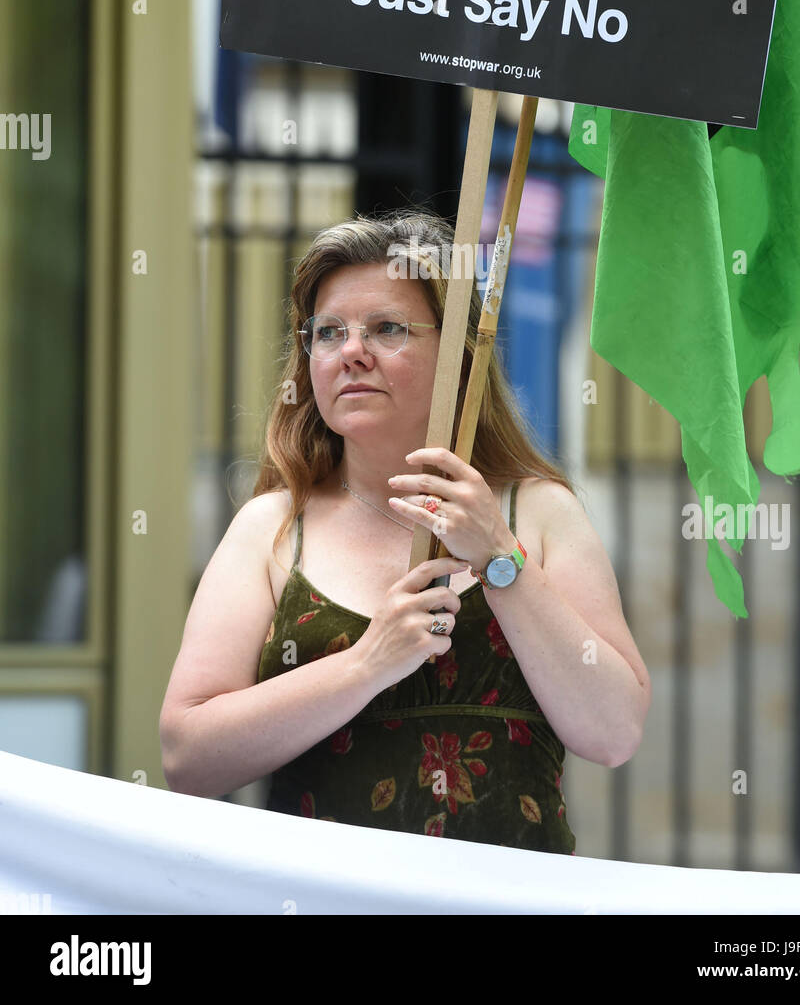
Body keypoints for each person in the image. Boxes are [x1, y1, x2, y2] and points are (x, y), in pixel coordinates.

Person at [160, 209, 650, 854]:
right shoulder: (273, 528)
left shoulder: (539, 512)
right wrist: (368, 662)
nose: (352, 351)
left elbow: (612, 733)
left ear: (459, 356)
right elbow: (188, 758)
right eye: (328, 332)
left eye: (387, 328)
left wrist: (500, 559)